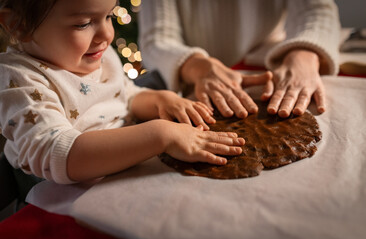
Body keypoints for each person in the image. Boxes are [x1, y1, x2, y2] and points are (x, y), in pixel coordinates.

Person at [0, 0, 245, 184]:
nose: (107, 35)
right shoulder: (20, 80)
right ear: (17, 24)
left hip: (123, 178)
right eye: (84, 23)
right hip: (62, 200)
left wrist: (160, 99)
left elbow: (125, 96)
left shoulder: (98, 55)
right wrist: (161, 135)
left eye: (108, 16)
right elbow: (56, 154)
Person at [138, 0, 341, 118]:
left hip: (265, 65)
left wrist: (304, 56)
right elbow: (156, 39)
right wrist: (195, 65)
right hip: (193, 78)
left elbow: (318, 11)